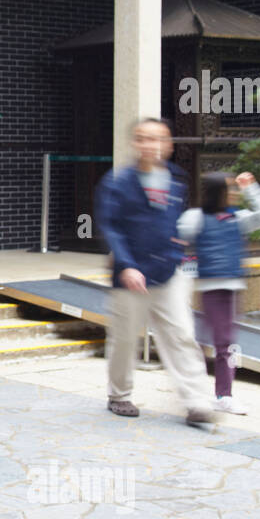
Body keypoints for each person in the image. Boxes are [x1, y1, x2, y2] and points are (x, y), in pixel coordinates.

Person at [94, 117, 216, 427]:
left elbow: (177, 218)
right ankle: (119, 395)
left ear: (169, 145)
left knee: (182, 335)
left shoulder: (177, 179)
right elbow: (111, 227)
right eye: (143, 138)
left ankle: (197, 401)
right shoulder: (118, 182)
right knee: (123, 339)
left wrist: (180, 246)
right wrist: (127, 264)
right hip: (130, 275)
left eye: (157, 139)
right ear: (135, 144)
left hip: (169, 270)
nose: (150, 145)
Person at [176, 171, 260, 415]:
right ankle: (212, 394)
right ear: (216, 192)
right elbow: (174, 236)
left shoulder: (237, 218)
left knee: (223, 343)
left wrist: (251, 187)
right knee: (217, 343)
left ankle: (220, 394)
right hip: (210, 288)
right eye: (229, 189)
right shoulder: (196, 218)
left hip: (232, 288)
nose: (234, 193)